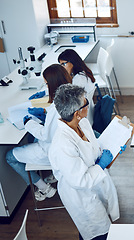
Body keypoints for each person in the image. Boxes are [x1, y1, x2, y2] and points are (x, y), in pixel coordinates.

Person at [49, 84, 120, 240]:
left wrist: (113, 148)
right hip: (81, 196)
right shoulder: (63, 144)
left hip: (96, 185)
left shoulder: (82, 123)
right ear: (77, 113)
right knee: (97, 233)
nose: (89, 104)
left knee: (103, 223)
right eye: (86, 103)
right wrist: (101, 165)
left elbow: (93, 147)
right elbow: (80, 180)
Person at [6, 64, 72, 201]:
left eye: (47, 84)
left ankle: (44, 188)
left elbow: (45, 135)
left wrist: (28, 123)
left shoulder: (56, 107)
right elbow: (56, 123)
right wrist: (44, 114)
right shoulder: (70, 97)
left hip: (52, 151)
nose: (46, 86)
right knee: (31, 140)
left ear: (53, 84)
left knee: (9, 157)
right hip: (65, 147)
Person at [58, 49, 96, 124]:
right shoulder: (82, 73)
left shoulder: (79, 79)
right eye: (60, 64)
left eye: (63, 64)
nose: (62, 67)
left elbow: (71, 103)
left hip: (81, 118)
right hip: (88, 114)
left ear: (72, 62)